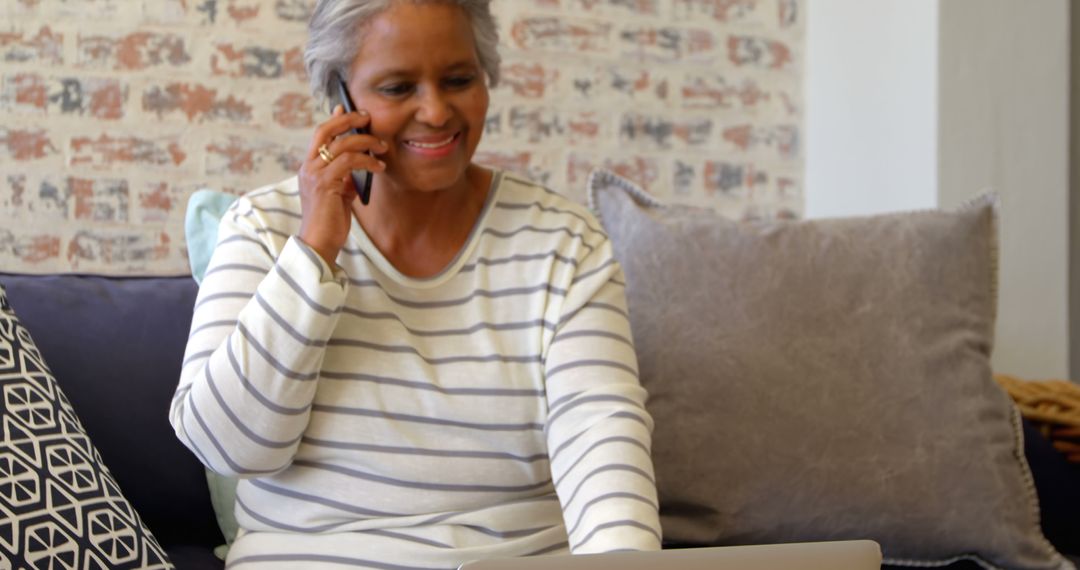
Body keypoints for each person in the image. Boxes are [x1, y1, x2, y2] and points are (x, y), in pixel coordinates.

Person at [169, 0, 661, 567]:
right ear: (341, 99)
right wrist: (314, 254)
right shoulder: (262, 229)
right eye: (399, 87)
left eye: (458, 79)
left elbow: (602, 447)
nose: (435, 111)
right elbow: (229, 447)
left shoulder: (564, 244)